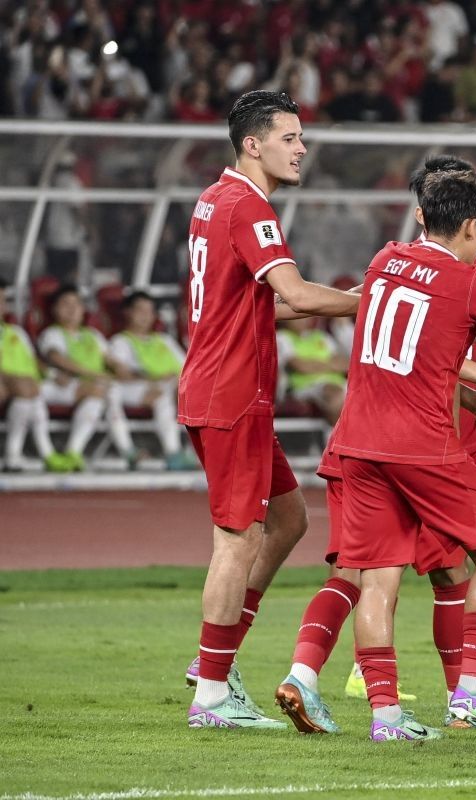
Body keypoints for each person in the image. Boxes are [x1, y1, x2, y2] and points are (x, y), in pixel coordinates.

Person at [275, 156, 476, 738]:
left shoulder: (387, 259)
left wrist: (474, 364)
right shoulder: (474, 281)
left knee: (374, 578)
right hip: (423, 445)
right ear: (473, 226)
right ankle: (472, 691)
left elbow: (413, 332)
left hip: (357, 443)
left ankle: (387, 715)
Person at [181, 90, 360, 730]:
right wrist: (371, 300)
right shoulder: (248, 206)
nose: (301, 147)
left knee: (287, 519)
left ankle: (215, 659)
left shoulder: (212, 198)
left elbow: (258, 305)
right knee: (237, 539)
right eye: (290, 137)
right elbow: (293, 291)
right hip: (231, 396)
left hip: (224, 390)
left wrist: (344, 301)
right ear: (252, 145)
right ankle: (210, 692)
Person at [38, 285, 137, 470]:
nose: (72, 309)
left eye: (77, 304)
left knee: (101, 398)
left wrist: (121, 369)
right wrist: (94, 375)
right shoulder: (52, 333)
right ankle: (126, 449)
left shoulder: (93, 335)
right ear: (55, 309)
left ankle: (73, 452)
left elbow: (110, 359)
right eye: (66, 304)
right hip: (61, 385)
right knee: (104, 389)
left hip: (92, 387)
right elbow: (57, 358)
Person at [107, 291, 190, 469]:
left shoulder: (165, 340)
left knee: (177, 391)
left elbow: (187, 368)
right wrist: (156, 379)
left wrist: (173, 381)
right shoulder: (120, 341)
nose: (146, 316)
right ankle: (135, 451)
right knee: (160, 394)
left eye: (150, 311)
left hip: (171, 387)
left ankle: (178, 453)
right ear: (128, 312)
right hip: (133, 389)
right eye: (140, 310)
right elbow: (123, 373)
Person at [0, 281, 65, 472]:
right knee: (28, 390)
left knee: (32, 392)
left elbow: (34, 361)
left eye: (2, 301)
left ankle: (16, 455)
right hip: (10, 383)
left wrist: (53, 374)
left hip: (26, 384)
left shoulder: (16, 332)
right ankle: (43, 453)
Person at [276, 316, 348, 425]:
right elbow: (301, 367)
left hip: (338, 382)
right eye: (298, 318)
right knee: (333, 392)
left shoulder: (322, 336)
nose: (303, 320)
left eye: (306, 317)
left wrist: (313, 364)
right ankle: (336, 435)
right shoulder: (282, 337)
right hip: (305, 387)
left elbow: (345, 364)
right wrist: (330, 364)